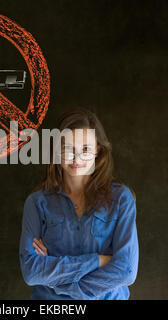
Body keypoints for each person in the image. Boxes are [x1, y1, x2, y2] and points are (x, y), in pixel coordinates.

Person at [19, 108, 139, 300]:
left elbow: (127, 271)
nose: (76, 158)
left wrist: (60, 284)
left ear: (98, 150)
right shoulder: (36, 203)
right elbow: (32, 272)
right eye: (68, 148)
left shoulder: (121, 198)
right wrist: (98, 260)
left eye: (85, 149)